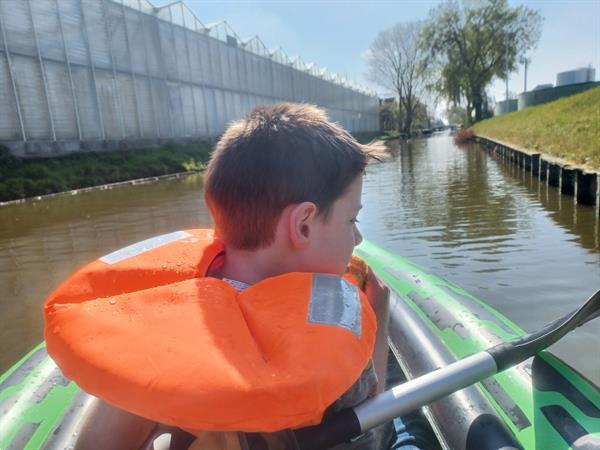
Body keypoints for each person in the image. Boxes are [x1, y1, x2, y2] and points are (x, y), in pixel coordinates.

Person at [195, 102, 412, 449]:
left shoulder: (184, 317)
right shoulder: (327, 347)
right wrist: (380, 319)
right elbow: (372, 437)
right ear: (303, 225)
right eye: (351, 221)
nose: (358, 239)